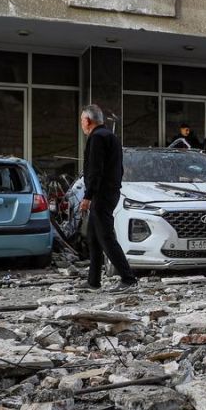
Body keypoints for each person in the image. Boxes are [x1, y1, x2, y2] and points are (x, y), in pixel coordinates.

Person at [78, 104, 137, 293]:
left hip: (101, 194)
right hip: (109, 192)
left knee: (106, 237)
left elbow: (96, 170)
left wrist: (88, 196)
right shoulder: (111, 136)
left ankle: (128, 279)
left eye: (82, 120)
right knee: (93, 237)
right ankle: (93, 281)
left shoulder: (97, 138)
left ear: (88, 120)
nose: (81, 124)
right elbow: (119, 168)